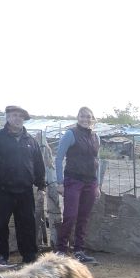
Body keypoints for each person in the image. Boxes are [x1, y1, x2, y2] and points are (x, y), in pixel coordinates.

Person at [0, 105, 46, 264]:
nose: (17, 119)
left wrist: (41, 185)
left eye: (20, 116)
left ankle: (29, 256)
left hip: (25, 190)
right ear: (7, 117)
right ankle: (3, 255)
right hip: (1, 190)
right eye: (14, 115)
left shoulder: (31, 141)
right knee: (1, 224)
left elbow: (38, 164)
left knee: (27, 223)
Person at [54, 106, 101, 263]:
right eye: (82, 116)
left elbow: (97, 161)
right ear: (78, 117)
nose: (85, 119)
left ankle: (79, 251)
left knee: (84, 217)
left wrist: (97, 184)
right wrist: (60, 182)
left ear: (92, 119)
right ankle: (61, 251)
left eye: (88, 116)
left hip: (90, 182)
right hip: (73, 180)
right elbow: (59, 158)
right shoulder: (70, 134)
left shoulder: (96, 137)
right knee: (70, 215)